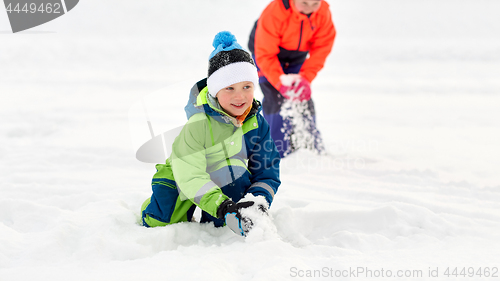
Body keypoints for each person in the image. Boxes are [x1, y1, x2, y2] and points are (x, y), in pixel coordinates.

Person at [140, 31, 281, 237]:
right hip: (182, 175)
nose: (239, 96)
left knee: (232, 176)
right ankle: (163, 209)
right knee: (161, 221)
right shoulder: (199, 124)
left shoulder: (257, 124)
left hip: (225, 174)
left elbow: (267, 168)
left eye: (247, 87)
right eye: (230, 88)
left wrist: (257, 200)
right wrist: (221, 205)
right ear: (215, 90)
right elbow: (190, 174)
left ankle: (218, 222)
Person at [248, 0, 336, 158]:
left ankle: (311, 149)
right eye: (304, 3)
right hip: (265, 53)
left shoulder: (322, 12)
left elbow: (322, 48)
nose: (310, 8)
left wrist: (305, 78)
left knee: (302, 98)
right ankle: (275, 151)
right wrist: (279, 82)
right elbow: (265, 54)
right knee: (275, 99)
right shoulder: (275, 12)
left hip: (296, 58)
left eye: (315, 3)